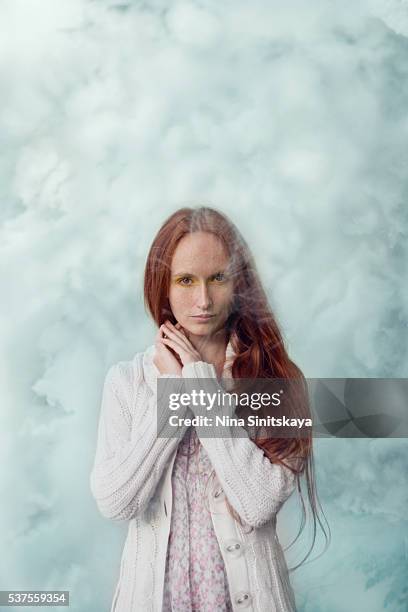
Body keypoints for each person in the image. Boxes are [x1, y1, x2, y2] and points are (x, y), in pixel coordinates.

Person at [90, 206, 330, 612]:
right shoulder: (126, 381)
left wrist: (199, 386)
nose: (202, 300)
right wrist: (172, 394)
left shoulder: (277, 381)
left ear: (239, 284)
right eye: (185, 280)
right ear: (162, 287)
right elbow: (117, 502)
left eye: (217, 278)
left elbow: (257, 503)